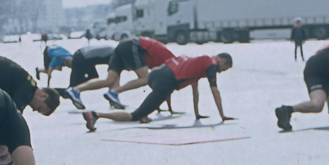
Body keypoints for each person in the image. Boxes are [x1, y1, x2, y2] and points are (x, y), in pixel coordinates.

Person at [82, 53, 234, 131]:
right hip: (166, 81)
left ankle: (146, 112)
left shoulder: (200, 62)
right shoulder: (211, 65)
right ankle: (96, 115)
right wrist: (222, 116)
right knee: (135, 115)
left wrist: (197, 114)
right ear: (222, 61)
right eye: (224, 69)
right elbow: (215, 91)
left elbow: (195, 91)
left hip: (156, 73)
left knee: (158, 97)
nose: (220, 72)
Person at [61, 36, 177, 111]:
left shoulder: (164, 62)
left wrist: (167, 107)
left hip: (122, 46)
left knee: (109, 81)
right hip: (132, 45)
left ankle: (75, 90)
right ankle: (115, 92)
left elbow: (163, 86)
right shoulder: (170, 62)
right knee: (145, 79)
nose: (129, 70)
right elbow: (165, 85)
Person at [274, 38, 329, 131]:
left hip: (315, 65)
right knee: (318, 104)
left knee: (318, 102)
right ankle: (288, 110)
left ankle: (288, 110)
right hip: (324, 64)